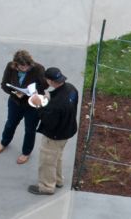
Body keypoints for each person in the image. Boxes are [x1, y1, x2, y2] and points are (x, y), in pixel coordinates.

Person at [28, 67, 80, 195]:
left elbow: (48, 122)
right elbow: (60, 100)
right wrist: (50, 97)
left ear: (50, 81)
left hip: (54, 136)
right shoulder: (71, 89)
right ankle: (57, 180)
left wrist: (39, 104)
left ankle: (46, 186)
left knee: (47, 161)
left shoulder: (57, 105)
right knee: (57, 157)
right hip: (67, 131)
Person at [0, 49, 47, 164]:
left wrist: (31, 91)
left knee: (30, 129)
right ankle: (4, 142)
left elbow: (44, 85)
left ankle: (26, 152)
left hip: (32, 105)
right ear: (16, 64)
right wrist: (14, 92)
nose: (24, 69)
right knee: (10, 123)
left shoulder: (38, 68)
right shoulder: (10, 67)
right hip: (15, 102)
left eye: (27, 67)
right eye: (21, 67)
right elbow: (4, 85)